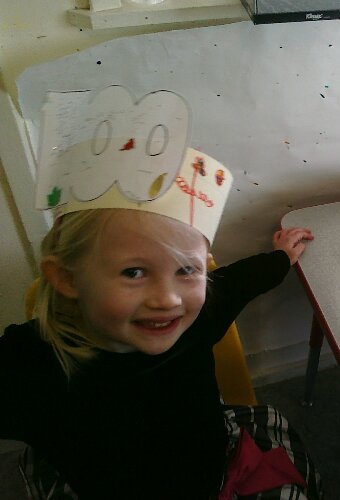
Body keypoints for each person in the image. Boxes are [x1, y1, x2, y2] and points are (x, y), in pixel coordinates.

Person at [1, 86, 320, 499]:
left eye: (187, 270)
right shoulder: (28, 367)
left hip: (213, 477)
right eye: (134, 272)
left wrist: (280, 258)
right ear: (67, 278)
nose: (169, 299)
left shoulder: (195, 316)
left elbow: (238, 282)